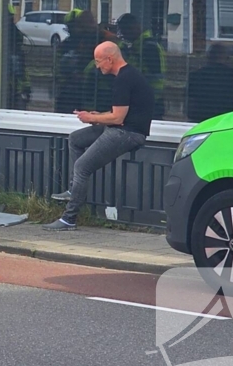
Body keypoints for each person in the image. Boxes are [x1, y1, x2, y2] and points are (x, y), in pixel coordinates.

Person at [44, 41, 154, 231]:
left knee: (82, 167)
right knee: (76, 139)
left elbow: (119, 118)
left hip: (128, 133)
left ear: (110, 59)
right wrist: (97, 116)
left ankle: (69, 219)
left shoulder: (124, 79)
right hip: (123, 127)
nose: (97, 65)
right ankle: (73, 190)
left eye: (98, 61)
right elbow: (120, 113)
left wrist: (89, 118)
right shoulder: (128, 75)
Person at [115, 13, 165, 120]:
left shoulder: (148, 46)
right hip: (146, 97)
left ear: (135, 27)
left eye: (125, 30)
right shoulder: (138, 45)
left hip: (151, 98)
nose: (123, 34)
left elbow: (138, 70)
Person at [187, 42, 233, 123]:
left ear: (208, 57)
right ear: (225, 57)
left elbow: (191, 102)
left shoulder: (196, 76)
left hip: (201, 120)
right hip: (225, 121)